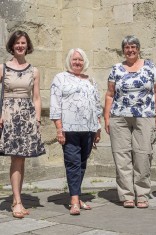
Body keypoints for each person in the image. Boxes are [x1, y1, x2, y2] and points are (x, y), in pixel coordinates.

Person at [104, 35, 156, 209]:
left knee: (143, 154)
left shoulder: (150, 66)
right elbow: (109, 94)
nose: (130, 50)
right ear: (123, 50)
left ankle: (142, 194)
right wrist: (107, 117)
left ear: (138, 49)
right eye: (127, 47)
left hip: (145, 116)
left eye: (133, 47)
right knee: (121, 155)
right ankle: (126, 195)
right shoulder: (116, 69)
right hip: (119, 116)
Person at [50, 48, 102, 215]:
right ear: (69, 61)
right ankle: (74, 201)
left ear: (84, 61)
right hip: (69, 129)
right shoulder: (60, 78)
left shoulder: (91, 80)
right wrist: (59, 128)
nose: (77, 62)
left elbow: (96, 105)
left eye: (80, 60)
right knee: (73, 163)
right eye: (74, 60)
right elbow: (55, 104)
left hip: (88, 129)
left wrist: (98, 128)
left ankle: (77, 196)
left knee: (82, 163)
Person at [0, 30, 46, 218]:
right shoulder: (2, 68)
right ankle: (17, 201)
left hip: (26, 116)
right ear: (12, 45)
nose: (20, 46)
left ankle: (16, 198)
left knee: (21, 158)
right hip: (8, 115)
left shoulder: (34, 70)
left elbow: (36, 97)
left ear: (28, 46)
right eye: (17, 43)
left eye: (23, 43)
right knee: (15, 159)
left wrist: (36, 119)